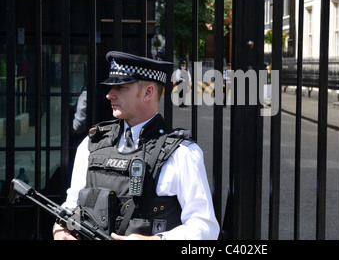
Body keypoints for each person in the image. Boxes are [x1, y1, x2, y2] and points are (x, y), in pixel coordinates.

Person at [53, 51, 219, 240]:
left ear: (148, 92)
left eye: (121, 87)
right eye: (110, 87)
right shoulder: (92, 144)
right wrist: (60, 229)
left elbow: (205, 227)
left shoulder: (181, 154)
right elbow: (72, 203)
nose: (109, 95)